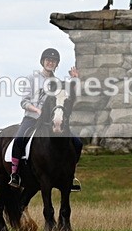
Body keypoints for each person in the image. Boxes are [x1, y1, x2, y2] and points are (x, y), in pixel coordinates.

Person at [8, 48, 83, 191]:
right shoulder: (32, 78)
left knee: (77, 143)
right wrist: (37, 110)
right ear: (43, 61)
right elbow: (24, 102)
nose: (50, 63)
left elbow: (69, 97)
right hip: (32, 118)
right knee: (18, 139)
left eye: (53, 61)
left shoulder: (58, 82)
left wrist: (75, 80)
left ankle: (71, 176)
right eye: (48, 60)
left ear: (57, 64)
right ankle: (15, 174)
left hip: (50, 122)